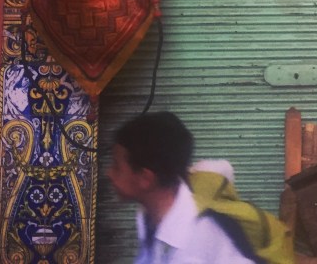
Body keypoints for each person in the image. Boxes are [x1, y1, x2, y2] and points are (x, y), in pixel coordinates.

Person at [108, 111, 261, 264]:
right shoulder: (151, 219)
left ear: (145, 178)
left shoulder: (197, 239)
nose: (109, 173)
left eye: (117, 166)